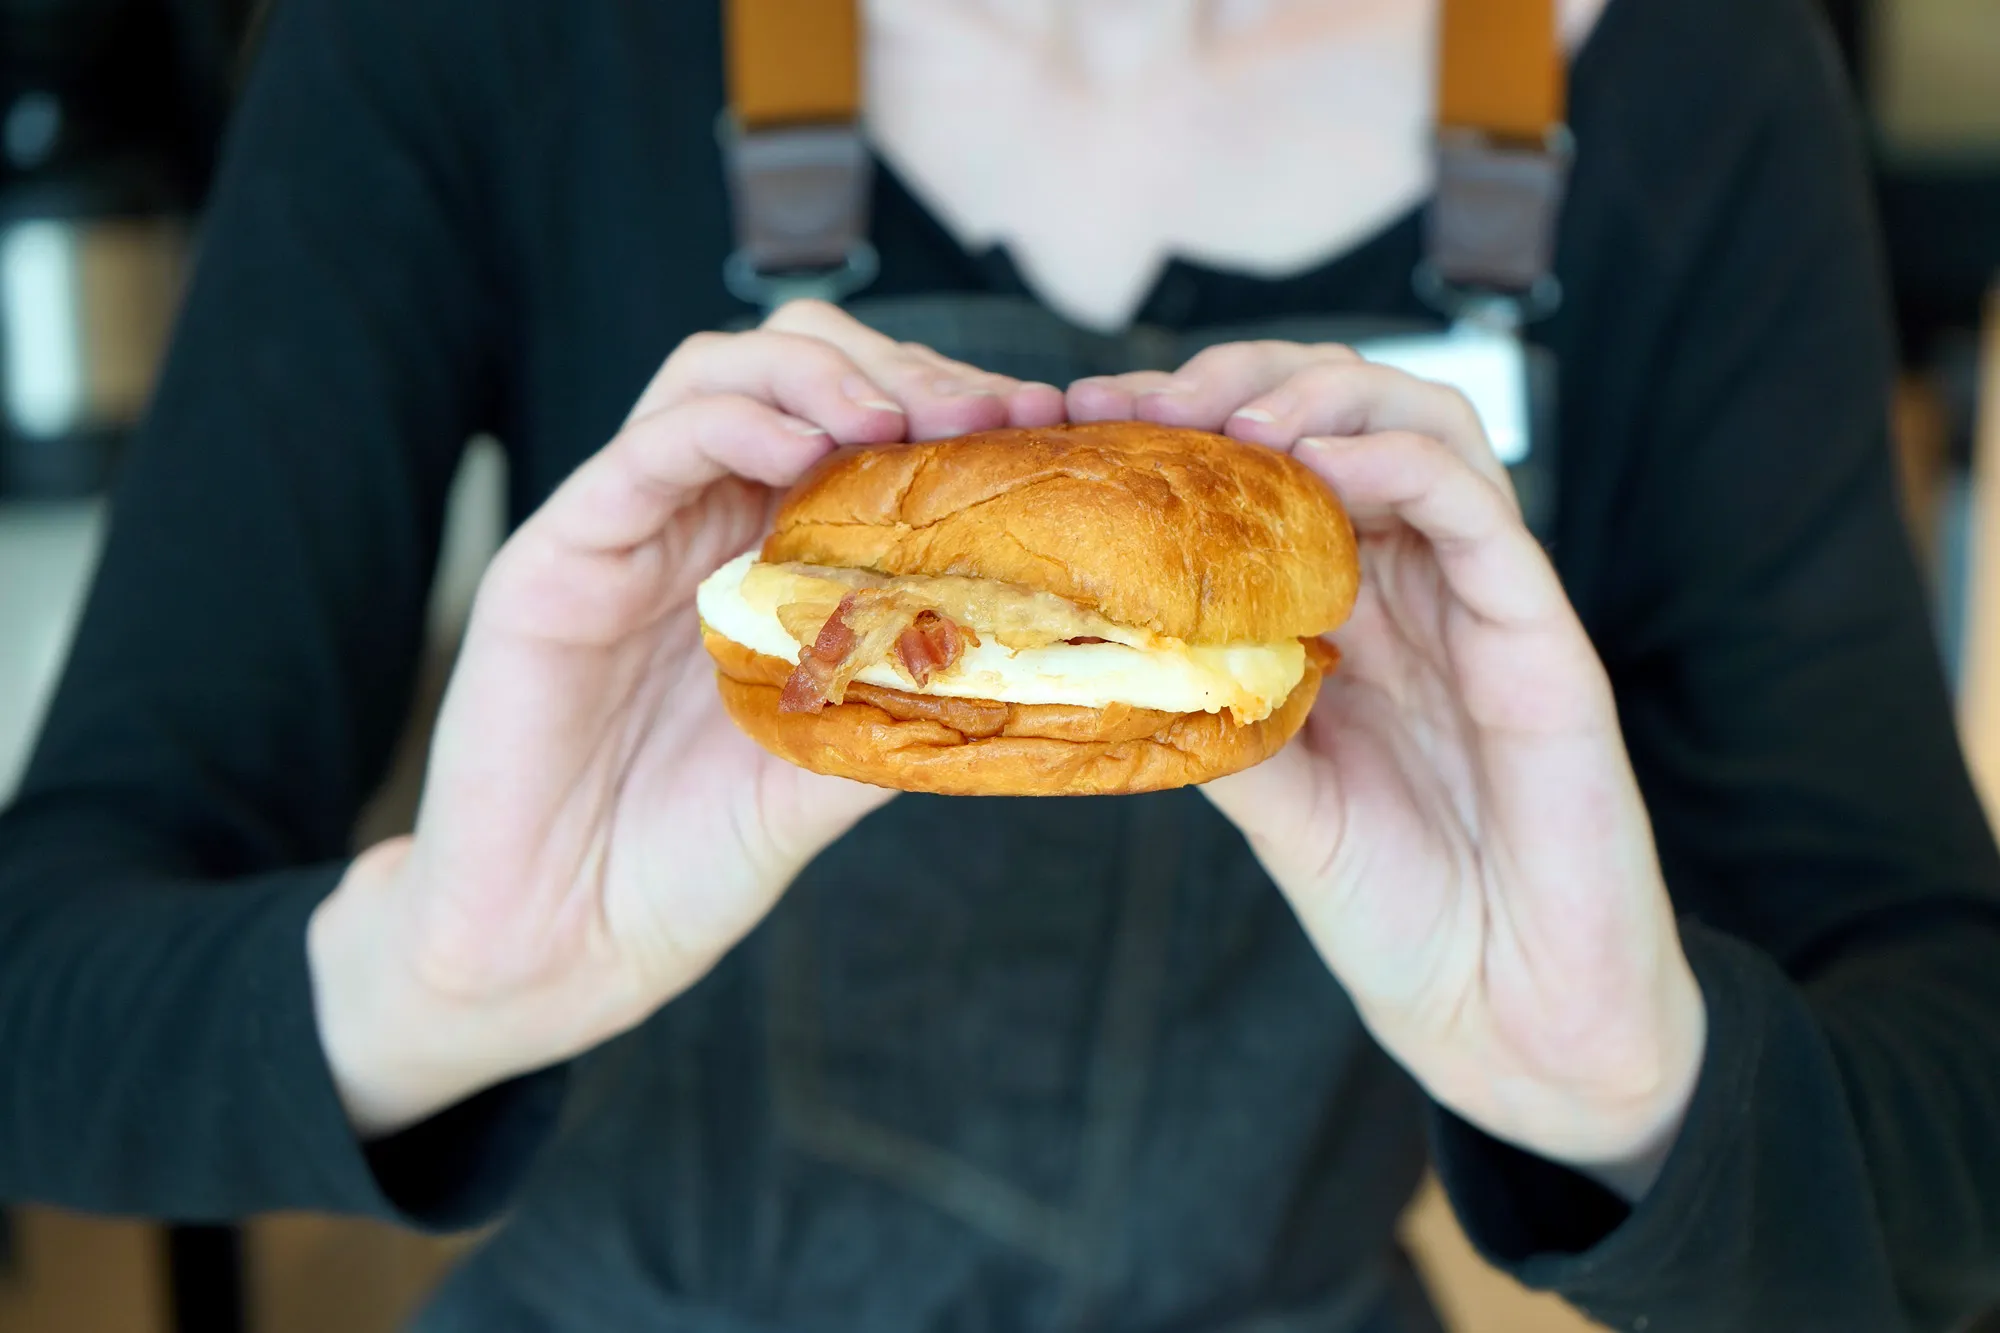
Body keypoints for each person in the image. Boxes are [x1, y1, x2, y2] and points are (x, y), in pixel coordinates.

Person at [3, 0, 1999, 1329]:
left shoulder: (1691, 79)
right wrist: (438, 974)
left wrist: (1640, 1085)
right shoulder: (476, 38)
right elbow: (41, 1008)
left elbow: (1952, 1124)